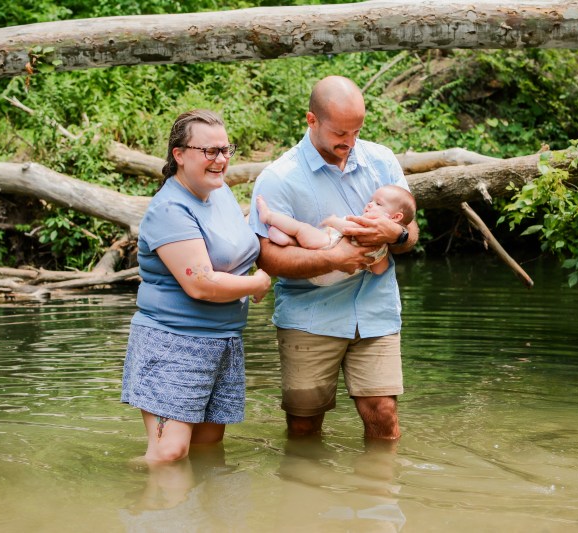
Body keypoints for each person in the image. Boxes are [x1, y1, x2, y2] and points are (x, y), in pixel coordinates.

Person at [247, 76, 419, 440]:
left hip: (375, 311)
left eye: (357, 131)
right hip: (310, 316)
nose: (351, 142)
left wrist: (396, 235)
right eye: (341, 132)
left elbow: (411, 232)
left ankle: (382, 479)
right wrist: (334, 259)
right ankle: (305, 478)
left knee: (384, 415)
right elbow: (267, 259)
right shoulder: (279, 178)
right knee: (304, 425)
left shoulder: (381, 160)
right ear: (312, 120)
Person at [122, 109, 271, 464]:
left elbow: (232, 246)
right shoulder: (169, 209)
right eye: (209, 151)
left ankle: (198, 505)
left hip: (223, 341)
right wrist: (256, 283)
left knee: (207, 449)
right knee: (169, 453)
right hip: (174, 342)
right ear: (179, 154)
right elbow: (200, 283)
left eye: (226, 149)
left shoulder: (219, 194)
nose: (221, 159)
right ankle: (120, 494)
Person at [255, 184, 416, 285]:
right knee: (304, 241)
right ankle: (288, 241)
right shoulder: (382, 249)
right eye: (371, 201)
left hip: (326, 245)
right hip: (331, 277)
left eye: (378, 204)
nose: (369, 204)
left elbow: (347, 229)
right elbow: (379, 269)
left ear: (395, 217)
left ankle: (269, 217)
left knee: (301, 229)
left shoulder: (368, 225)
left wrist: (333, 221)